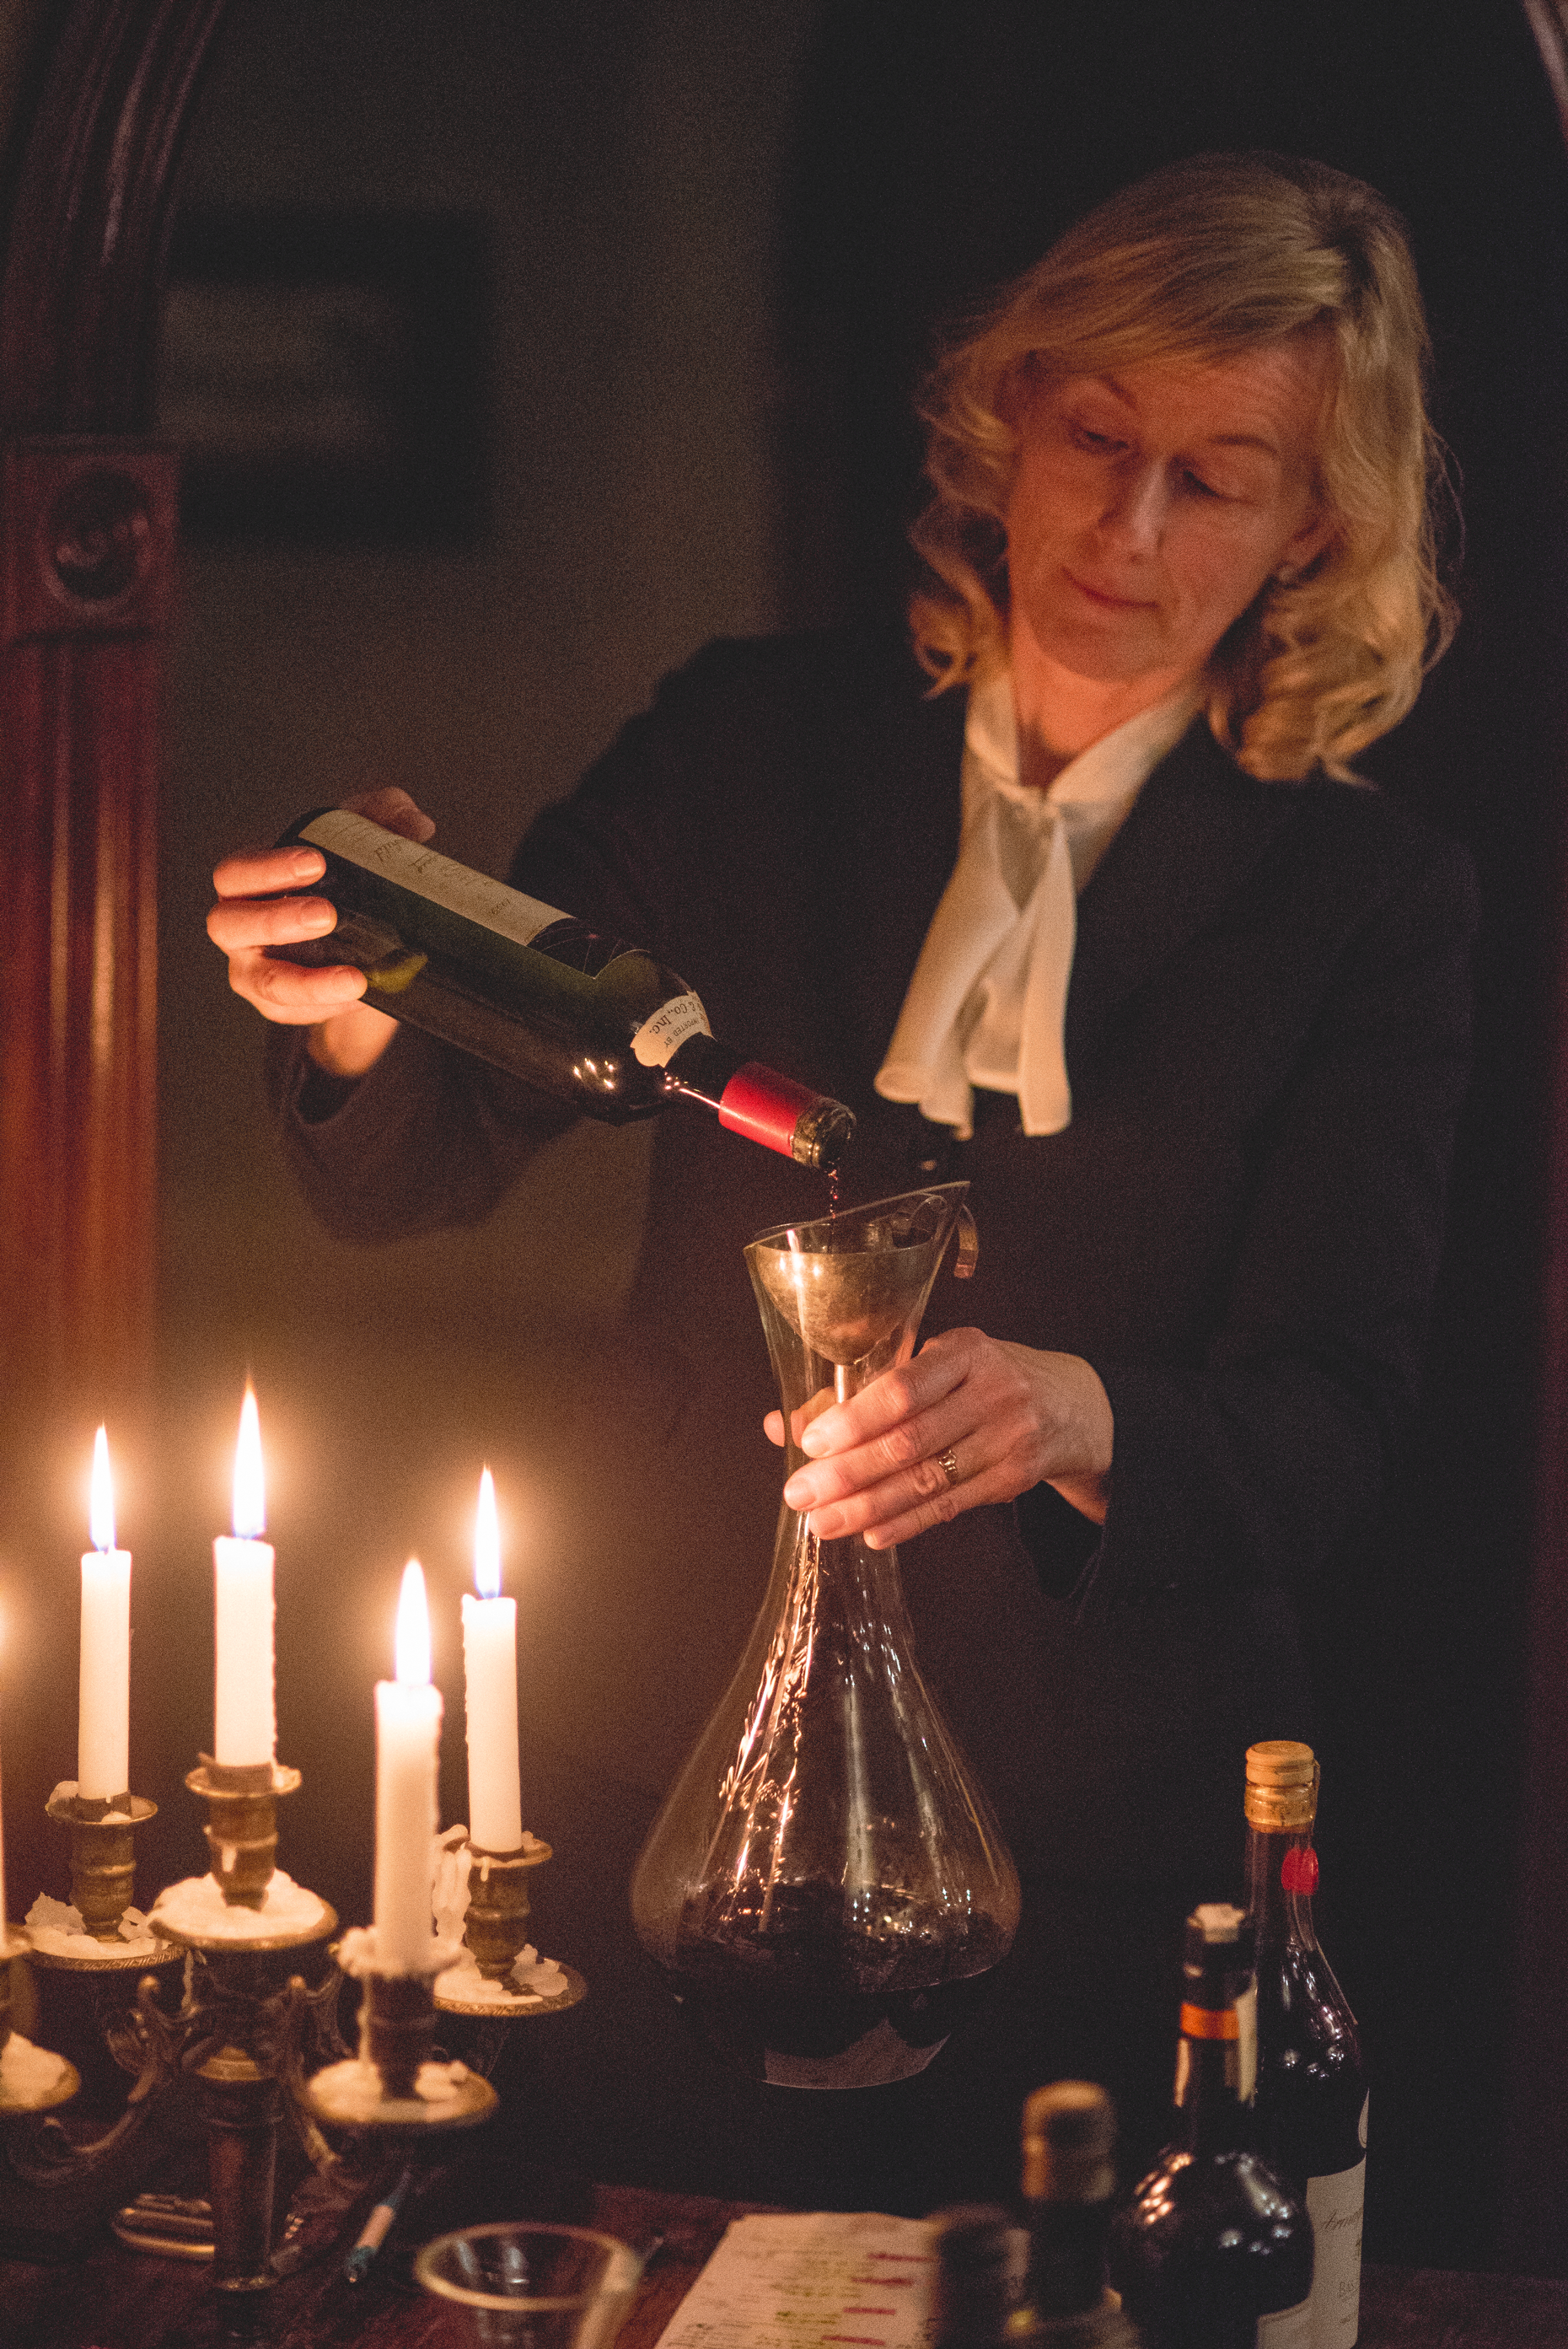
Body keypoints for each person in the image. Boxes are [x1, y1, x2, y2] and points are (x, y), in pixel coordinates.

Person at [207, 153, 1475, 2207]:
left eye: (1216, 478)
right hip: (651, 1774)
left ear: (1315, 522)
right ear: (1015, 410)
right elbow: (419, 1159)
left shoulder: (1371, 900)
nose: (1129, 529)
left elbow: (1337, 1423)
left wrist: (1080, 1411)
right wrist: (361, 999)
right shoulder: (748, 739)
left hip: (1093, 1841)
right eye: (1097, 438)